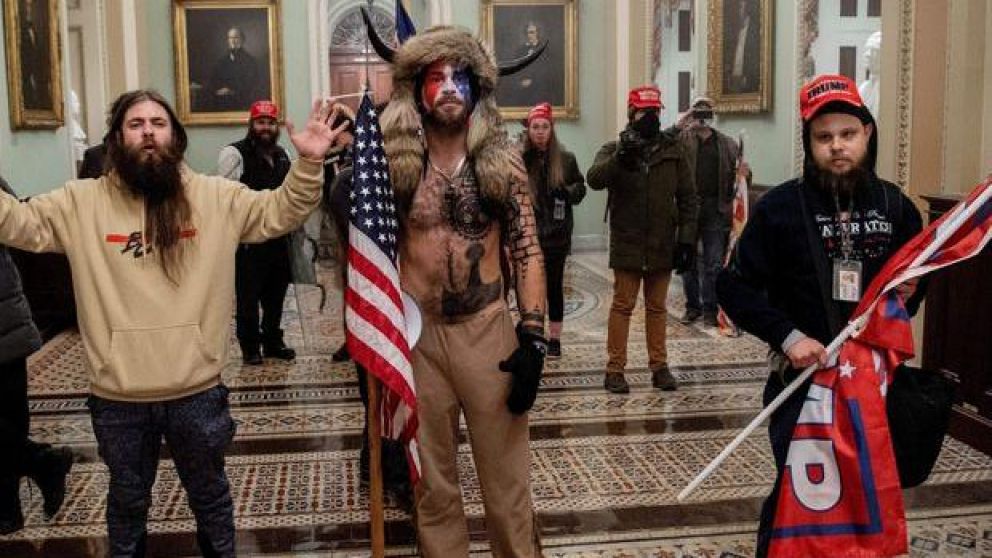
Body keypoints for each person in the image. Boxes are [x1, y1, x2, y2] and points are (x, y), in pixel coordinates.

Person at [0, 89, 344, 556]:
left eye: (157, 123)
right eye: (135, 124)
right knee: (126, 503)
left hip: (197, 391)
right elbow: (17, 222)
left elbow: (278, 212)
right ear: (117, 138)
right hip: (118, 397)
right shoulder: (78, 203)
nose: (148, 133)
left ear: (175, 136)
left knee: (211, 498)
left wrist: (307, 164)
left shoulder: (214, 197)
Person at [716, 74, 924, 557]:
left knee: (863, 499)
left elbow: (910, 294)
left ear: (867, 134)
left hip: (874, 387)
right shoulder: (780, 209)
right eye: (823, 137)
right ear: (809, 142)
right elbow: (732, 286)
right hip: (800, 383)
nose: (836, 147)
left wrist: (912, 293)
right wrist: (788, 337)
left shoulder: (897, 207)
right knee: (799, 500)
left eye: (847, 135)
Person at [364, 22, 547, 556]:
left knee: (508, 486)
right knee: (433, 486)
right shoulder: (394, 167)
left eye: (458, 77)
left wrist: (533, 338)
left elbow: (527, 246)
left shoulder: (502, 161)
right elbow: (368, 247)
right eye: (435, 77)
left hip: (487, 332)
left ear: (476, 87)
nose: (447, 88)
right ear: (416, 89)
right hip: (417, 337)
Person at [587, 85, 698, 395]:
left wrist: (687, 240)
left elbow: (689, 198)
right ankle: (615, 370)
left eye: (654, 112)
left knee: (657, 307)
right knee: (622, 305)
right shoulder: (614, 150)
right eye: (643, 112)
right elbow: (594, 179)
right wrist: (622, 156)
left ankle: (660, 368)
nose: (650, 117)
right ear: (631, 114)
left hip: (662, 241)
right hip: (627, 241)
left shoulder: (674, 150)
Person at [0, 175, 74, 535]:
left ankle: (11, 503)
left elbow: (19, 226)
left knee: (10, 418)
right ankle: (38, 468)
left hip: (5, 323)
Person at [218, 100, 297, 365]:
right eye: (260, 122)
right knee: (248, 298)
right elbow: (226, 198)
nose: (265, 127)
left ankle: (273, 341)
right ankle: (250, 347)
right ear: (251, 124)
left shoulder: (284, 153)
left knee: (277, 295)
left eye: (270, 122)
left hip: (279, 240)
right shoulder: (233, 153)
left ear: (277, 126)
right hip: (248, 242)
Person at [669, 96, 749, 328]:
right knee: (687, 260)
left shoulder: (727, 143)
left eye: (706, 112)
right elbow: (663, 144)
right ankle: (692, 306)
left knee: (714, 262)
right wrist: (683, 122)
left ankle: (710, 308)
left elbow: (741, 175)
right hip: (687, 207)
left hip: (716, 208)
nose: (702, 118)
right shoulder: (682, 140)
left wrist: (744, 172)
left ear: (713, 114)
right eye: (698, 112)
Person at [521, 101, 586, 358]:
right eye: (535, 127)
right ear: (529, 130)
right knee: (528, 289)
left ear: (552, 129)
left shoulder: (566, 160)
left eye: (544, 127)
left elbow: (581, 189)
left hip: (557, 237)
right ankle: (532, 335)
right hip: (529, 236)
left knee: (555, 288)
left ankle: (555, 338)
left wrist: (567, 192)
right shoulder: (521, 160)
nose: (539, 131)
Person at [321, 103, 355, 363]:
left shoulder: (364, 149)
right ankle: (351, 341)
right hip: (342, 232)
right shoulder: (327, 156)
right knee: (347, 288)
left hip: (368, 231)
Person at [206, 27, 262, 112]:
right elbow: (214, 80)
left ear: (242, 40)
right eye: (230, 38)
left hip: (242, 102)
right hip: (222, 102)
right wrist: (217, 90)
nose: (233, 40)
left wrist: (231, 91)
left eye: (236, 37)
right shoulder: (221, 61)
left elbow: (251, 85)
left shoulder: (250, 61)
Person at [19, 0, 52, 110]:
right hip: (26, 79)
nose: (28, 9)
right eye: (26, 5)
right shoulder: (19, 30)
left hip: (38, 79)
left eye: (30, 5)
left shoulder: (33, 28)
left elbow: (39, 54)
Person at [724, 0, 760, 94]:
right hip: (732, 82)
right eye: (738, 7)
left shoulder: (756, 31)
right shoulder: (732, 31)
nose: (739, 11)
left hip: (749, 83)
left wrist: (748, 77)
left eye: (741, 7)